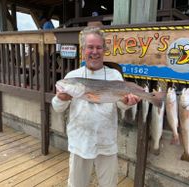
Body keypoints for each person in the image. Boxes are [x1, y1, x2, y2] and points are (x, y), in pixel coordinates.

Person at [52, 26, 140, 187]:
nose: (95, 51)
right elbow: (57, 107)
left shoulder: (115, 75)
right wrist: (61, 98)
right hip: (79, 141)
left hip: (106, 141)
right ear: (83, 50)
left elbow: (121, 104)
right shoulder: (72, 77)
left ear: (104, 50)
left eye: (99, 47)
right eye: (90, 47)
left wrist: (127, 102)